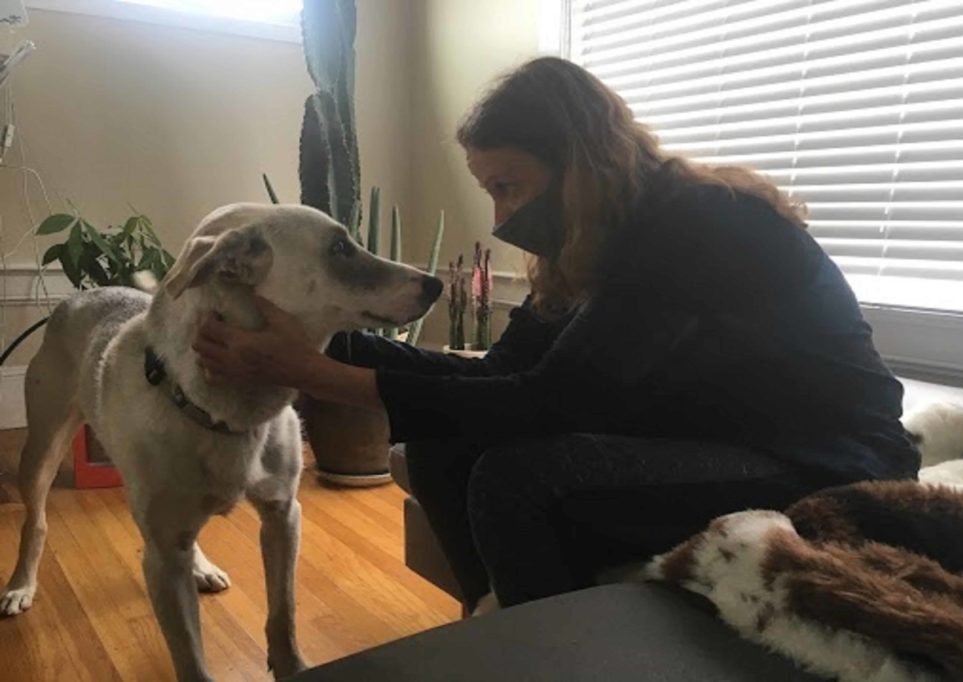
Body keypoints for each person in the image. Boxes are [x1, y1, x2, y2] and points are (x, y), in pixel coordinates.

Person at [193, 57, 919, 613]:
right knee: (441, 443)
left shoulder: (696, 225)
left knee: (518, 477)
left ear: (581, 161)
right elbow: (494, 375)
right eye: (489, 191)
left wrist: (318, 375)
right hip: (711, 433)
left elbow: (553, 403)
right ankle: (500, 624)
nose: (502, 215)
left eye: (509, 186)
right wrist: (323, 338)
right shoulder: (592, 245)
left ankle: (551, 654)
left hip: (827, 458)